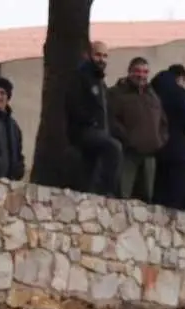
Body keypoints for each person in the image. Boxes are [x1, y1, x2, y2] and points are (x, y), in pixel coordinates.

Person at [66, 41, 122, 196]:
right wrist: (91, 120)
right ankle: (106, 193)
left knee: (89, 171)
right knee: (114, 148)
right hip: (85, 131)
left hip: (100, 131)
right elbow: (73, 104)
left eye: (105, 56)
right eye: (98, 55)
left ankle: (93, 193)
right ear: (89, 55)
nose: (101, 59)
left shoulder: (100, 82)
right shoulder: (81, 76)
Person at [108, 57, 167, 202]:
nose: (141, 75)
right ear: (129, 72)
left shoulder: (153, 96)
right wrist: (126, 138)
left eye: (145, 72)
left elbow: (163, 122)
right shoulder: (116, 93)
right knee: (123, 194)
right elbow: (110, 119)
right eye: (137, 71)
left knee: (147, 196)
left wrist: (160, 141)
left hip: (150, 154)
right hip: (128, 153)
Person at [151, 64, 185, 209]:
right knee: (176, 191)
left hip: (156, 144)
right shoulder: (179, 92)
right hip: (176, 147)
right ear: (180, 77)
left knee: (159, 188)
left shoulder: (152, 88)